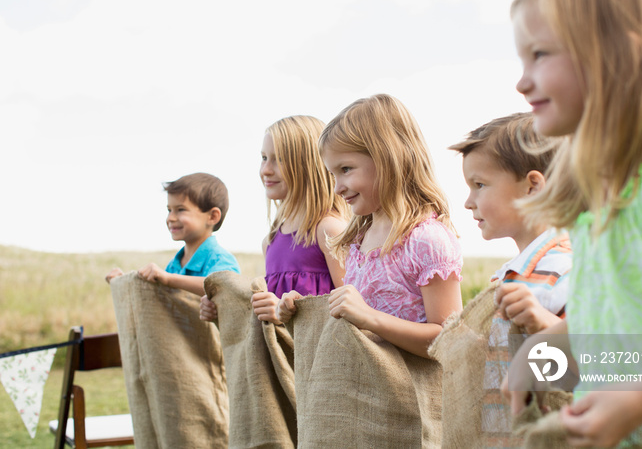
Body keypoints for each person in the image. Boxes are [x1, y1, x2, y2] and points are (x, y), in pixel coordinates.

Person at [501, 0, 642, 447]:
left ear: (616, 53)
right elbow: (623, 315)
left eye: (541, 54)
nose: (521, 81)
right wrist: (545, 346)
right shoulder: (596, 198)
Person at [277, 94, 463, 359]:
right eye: (333, 174)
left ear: (387, 159)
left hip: (409, 397)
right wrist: (305, 312)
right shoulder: (359, 239)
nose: (337, 187)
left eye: (346, 169)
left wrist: (370, 318)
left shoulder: (426, 240)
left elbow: (449, 340)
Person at [199, 115, 348, 323]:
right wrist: (222, 309)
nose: (266, 170)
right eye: (264, 158)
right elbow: (268, 313)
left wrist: (284, 313)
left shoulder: (329, 230)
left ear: (309, 165)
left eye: (280, 159)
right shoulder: (270, 241)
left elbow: (352, 314)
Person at [450, 112, 571, 336]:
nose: (468, 203)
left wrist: (545, 323)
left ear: (532, 187)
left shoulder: (567, 268)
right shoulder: (509, 274)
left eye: (480, 185)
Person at [106, 172, 241, 295]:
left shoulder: (220, 259)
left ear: (212, 216)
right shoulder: (173, 266)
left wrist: (168, 279)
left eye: (180, 210)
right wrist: (124, 282)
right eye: (169, 210)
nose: (171, 218)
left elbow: (223, 288)